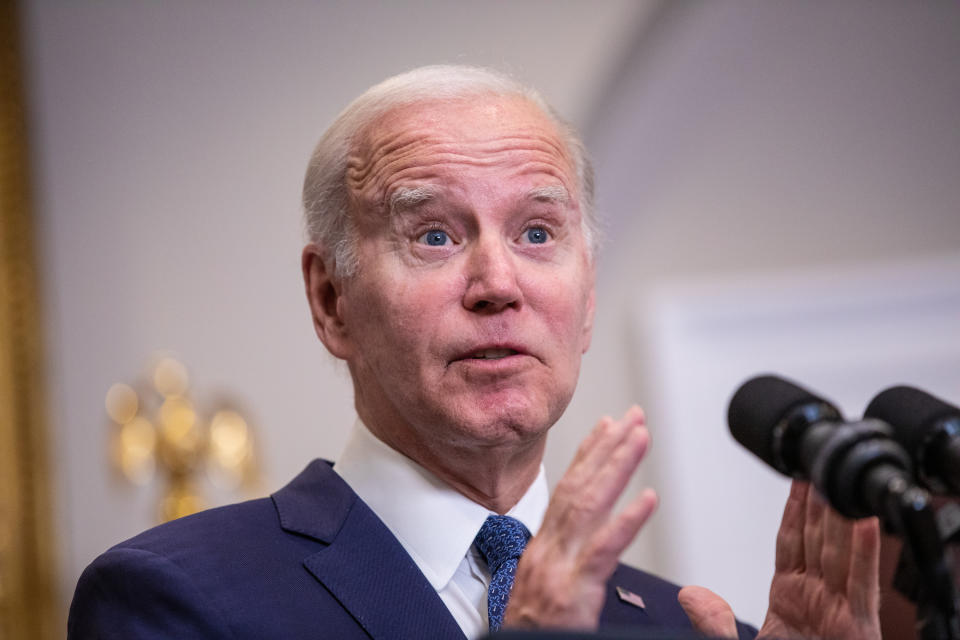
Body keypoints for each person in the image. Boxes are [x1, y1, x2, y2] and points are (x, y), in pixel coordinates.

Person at [68, 65, 881, 639]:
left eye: (536, 232)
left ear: (586, 299)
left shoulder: (687, 627)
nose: (498, 283)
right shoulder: (174, 599)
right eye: (432, 235)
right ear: (330, 300)